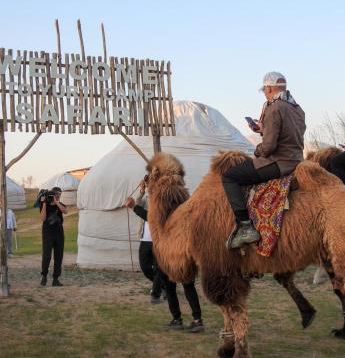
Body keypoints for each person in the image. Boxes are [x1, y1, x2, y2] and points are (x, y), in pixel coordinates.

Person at [222, 71, 306, 249]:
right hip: (296, 159)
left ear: (269, 88)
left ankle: (245, 226)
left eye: (265, 90)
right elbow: (287, 133)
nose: (265, 94)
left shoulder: (273, 107)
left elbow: (268, 147)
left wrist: (257, 150)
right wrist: (263, 128)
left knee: (230, 176)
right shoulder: (298, 109)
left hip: (279, 163)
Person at [124, 185, 205, 333]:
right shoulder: (184, 203)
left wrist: (134, 207)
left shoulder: (166, 207)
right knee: (184, 285)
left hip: (171, 250)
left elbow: (152, 219)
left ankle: (178, 319)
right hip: (183, 248)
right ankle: (196, 320)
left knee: (172, 286)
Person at [124, 181, 164, 303]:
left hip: (159, 241)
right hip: (145, 239)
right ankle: (163, 285)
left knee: (158, 268)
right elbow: (138, 203)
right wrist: (141, 192)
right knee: (145, 267)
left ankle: (156, 293)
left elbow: (149, 217)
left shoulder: (163, 200)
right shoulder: (147, 197)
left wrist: (133, 207)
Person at [39, 187, 67, 286]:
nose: (58, 196)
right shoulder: (44, 205)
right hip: (47, 233)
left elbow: (65, 211)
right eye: (57, 195)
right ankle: (44, 276)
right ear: (52, 194)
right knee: (46, 256)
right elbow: (42, 218)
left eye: (60, 195)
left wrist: (57, 202)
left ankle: (56, 279)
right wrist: (45, 203)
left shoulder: (60, 205)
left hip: (59, 233)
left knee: (58, 256)